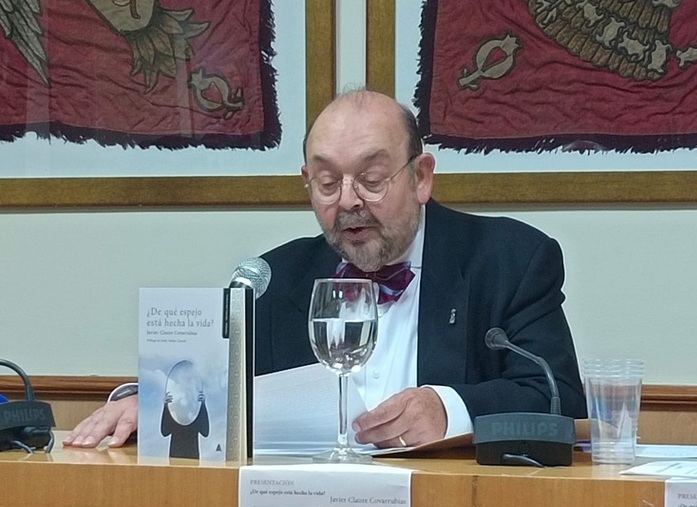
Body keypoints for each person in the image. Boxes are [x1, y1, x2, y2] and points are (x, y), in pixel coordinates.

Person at [64, 90, 586, 450]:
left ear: (422, 177)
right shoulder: (274, 278)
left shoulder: (509, 259)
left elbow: (558, 397)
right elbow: (210, 383)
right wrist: (141, 403)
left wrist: (450, 410)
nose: (349, 201)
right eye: (328, 183)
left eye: (372, 179)